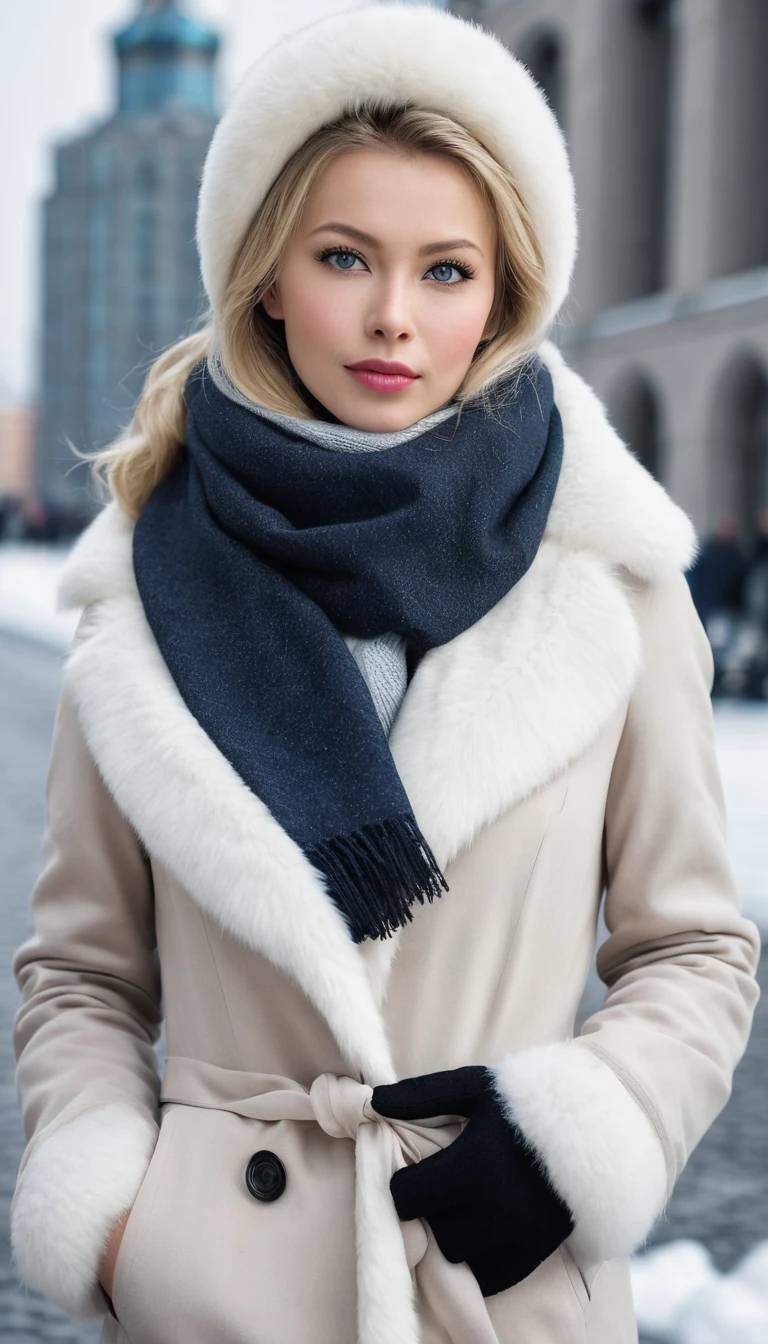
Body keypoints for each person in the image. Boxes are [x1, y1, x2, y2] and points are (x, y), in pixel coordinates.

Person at [9, 8, 760, 1343]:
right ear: (269, 276)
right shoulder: (141, 601)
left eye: (448, 270)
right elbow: (82, 979)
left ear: (502, 295)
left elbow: (693, 944)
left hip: (499, 1288)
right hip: (212, 1298)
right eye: (346, 256)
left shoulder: (609, 584)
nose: (395, 318)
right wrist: (124, 1213)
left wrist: (585, 1136)